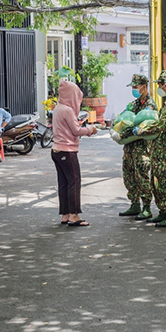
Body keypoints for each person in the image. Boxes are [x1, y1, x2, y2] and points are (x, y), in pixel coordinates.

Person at [134, 71, 166, 227]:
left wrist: (142, 131)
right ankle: (163, 211)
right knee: (156, 182)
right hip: (159, 148)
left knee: (164, 182)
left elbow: (161, 126)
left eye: (160, 85)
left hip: (165, 149)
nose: (159, 88)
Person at [51, 78, 97, 226]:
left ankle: (64, 214)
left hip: (56, 150)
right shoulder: (68, 110)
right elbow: (76, 131)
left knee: (63, 183)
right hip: (67, 151)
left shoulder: (58, 108)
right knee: (74, 181)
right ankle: (74, 215)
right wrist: (90, 129)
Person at [119, 74, 157, 220]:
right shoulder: (134, 104)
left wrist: (129, 130)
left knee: (141, 177)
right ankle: (134, 204)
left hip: (142, 148)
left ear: (143, 86)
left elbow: (144, 124)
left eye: (136, 87)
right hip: (129, 147)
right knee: (128, 176)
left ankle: (146, 206)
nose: (134, 89)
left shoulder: (150, 105)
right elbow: (125, 118)